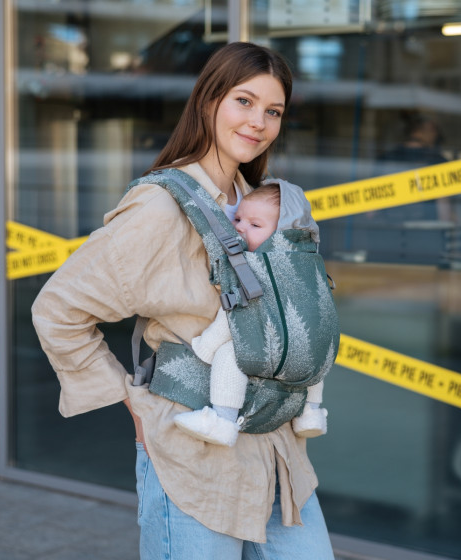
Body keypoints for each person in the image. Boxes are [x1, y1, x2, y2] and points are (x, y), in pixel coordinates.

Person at [32, 41, 335, 560]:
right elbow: (58, 310)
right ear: (209, 100)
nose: (258, 121)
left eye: (273, 110)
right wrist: (135, 407)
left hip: (279, 455)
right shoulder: (161, 206)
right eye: (244, 101)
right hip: (194, 458)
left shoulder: (262, 203)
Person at [174, 183, 328, 447]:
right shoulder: (308, 266)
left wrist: (206, 347)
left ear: (283, 235)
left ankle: (222, 421)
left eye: (255, 225)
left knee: (229, 354)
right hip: (305, 358)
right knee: (316, 352)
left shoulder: (254, 266)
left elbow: (234, 316)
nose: (240, 228)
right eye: (237, 218)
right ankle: (311, 413)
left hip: (269, 352)